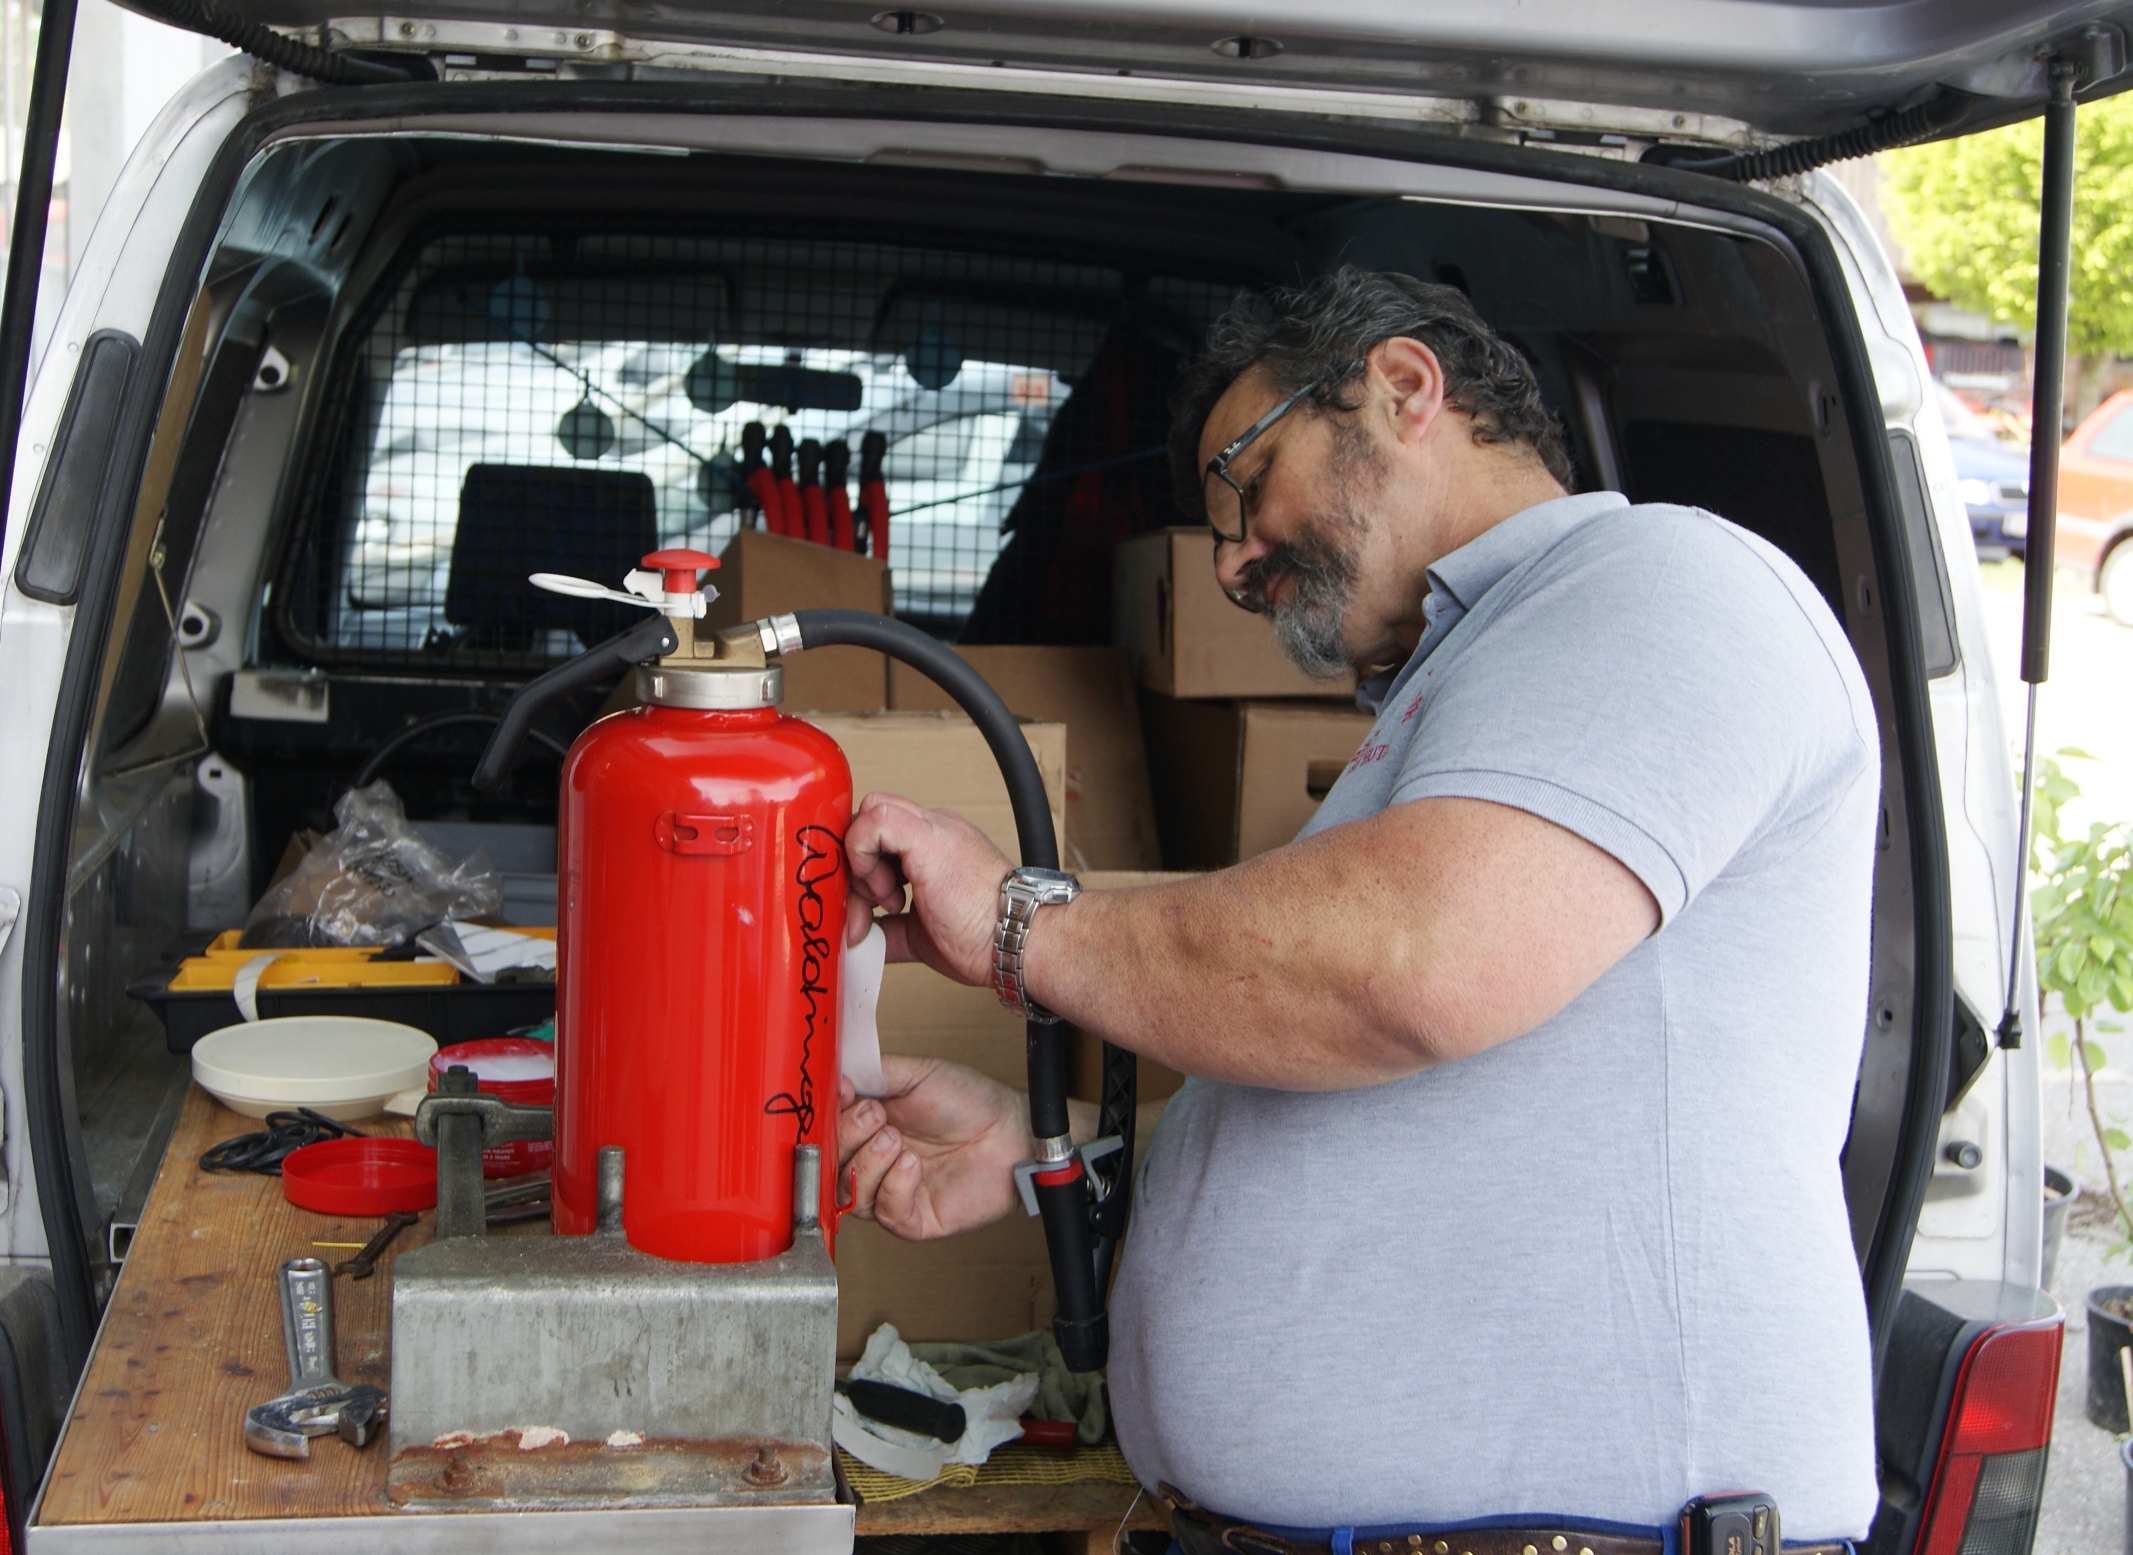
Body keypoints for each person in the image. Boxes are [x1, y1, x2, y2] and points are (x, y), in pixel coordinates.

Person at [836, 267, 1880, 1543]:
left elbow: (1412, 964)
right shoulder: (1470, 690)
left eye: (1246, 483)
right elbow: (1408, 1113)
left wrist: (1021, 926)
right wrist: (1051, 1154)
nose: (1232, 564)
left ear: (1401, 387)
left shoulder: (1663, 585)